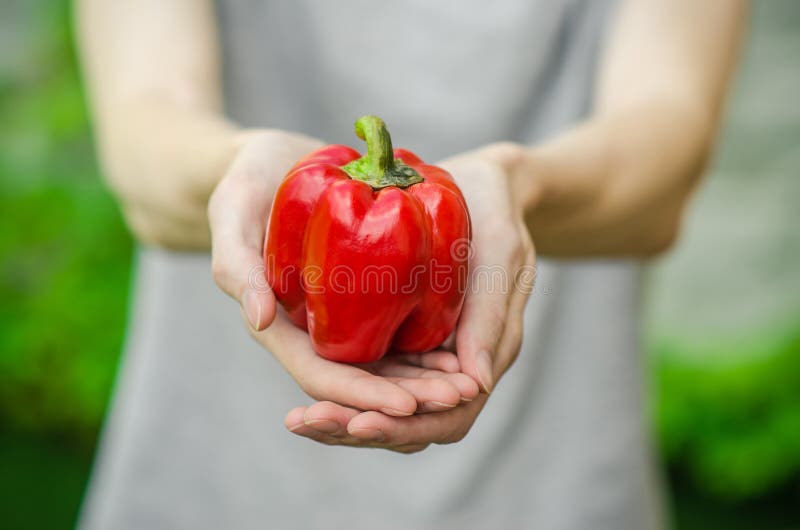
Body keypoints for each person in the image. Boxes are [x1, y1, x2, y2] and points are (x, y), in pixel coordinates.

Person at [75, 1, 746, 528]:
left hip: (550, 481)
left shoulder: (430, 204)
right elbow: (144, 131)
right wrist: (235, 167)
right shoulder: (335, 190)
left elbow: (664, 155)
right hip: (209, 471)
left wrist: (520, 180)